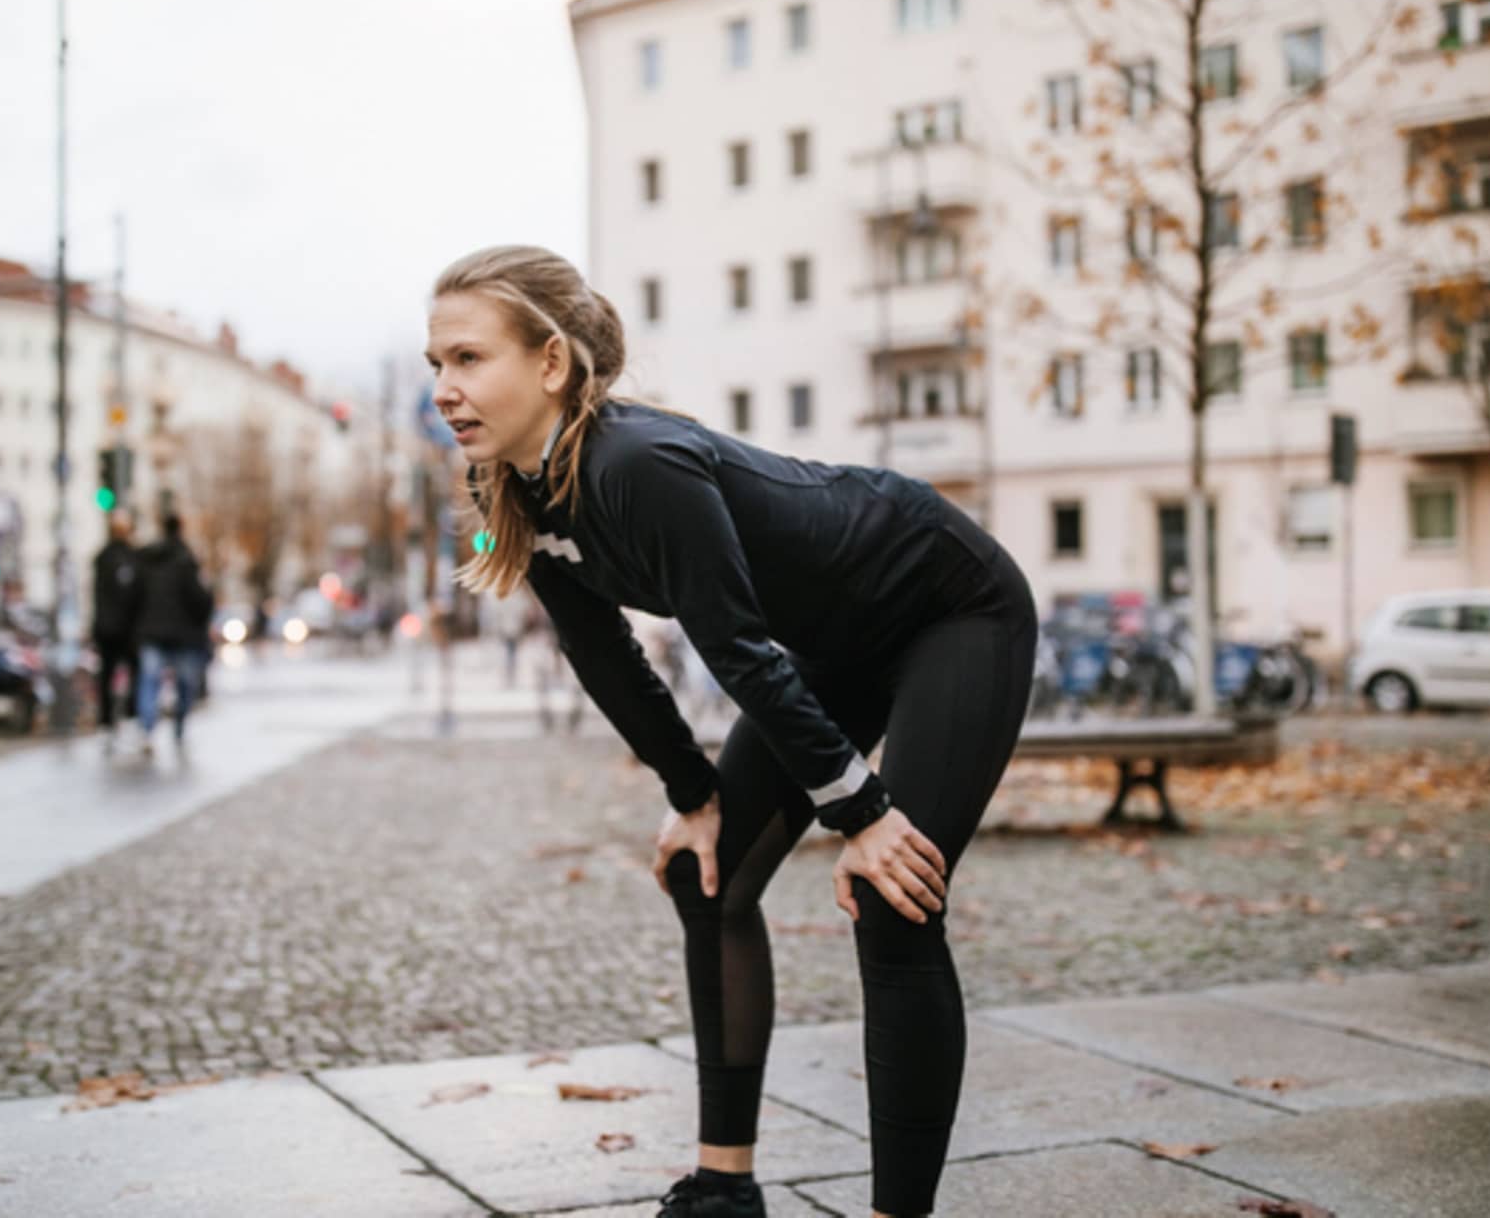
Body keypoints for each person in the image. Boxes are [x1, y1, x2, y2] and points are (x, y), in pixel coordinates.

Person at [426, 246, 1037, 1218]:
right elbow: (605, 657)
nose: (446, 389)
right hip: (837, 647)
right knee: (701, 875)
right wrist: (691, 796)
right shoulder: (515, 488)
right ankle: (723, 1184)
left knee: (894, 896)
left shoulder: (638, 463)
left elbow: (737, 650)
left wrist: (864, 814)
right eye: (435, 367)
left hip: (947, 605)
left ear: (548, 363)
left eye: (467, 358)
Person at [132, 513, 214, 755]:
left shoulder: (146, 559)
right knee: (184, 684)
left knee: (149, 681)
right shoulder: (186, 560)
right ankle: (179, 727)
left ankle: (147, 729)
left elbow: (134, 597)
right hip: (182, 634)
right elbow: (200, 600)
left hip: (151, 632)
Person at [90, 509, 142, 749]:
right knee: (128, 675)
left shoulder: (103, 557)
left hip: (109, 628)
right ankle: (122, 721)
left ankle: (108, 724)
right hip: (124, 630)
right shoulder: (130, 557)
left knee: (108, 676)